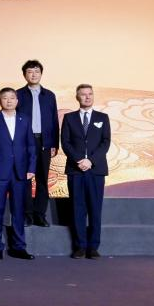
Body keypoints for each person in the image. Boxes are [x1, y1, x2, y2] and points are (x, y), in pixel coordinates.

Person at [0, 88, 37, 260]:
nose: (9, 101)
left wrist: (31, 168)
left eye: (12, 98)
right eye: (5, 98)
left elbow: (31, 145)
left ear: (17, 101)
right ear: (0, 101)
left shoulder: (24, 120)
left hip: (20, 172)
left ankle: (19, 247)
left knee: (18, 210)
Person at [60, 84, 110, 259]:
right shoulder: (69, 118)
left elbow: (106, 142)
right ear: (77, 97)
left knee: (95, 209)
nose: (87, 97)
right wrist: (79, 160)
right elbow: (65, 142)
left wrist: (91, 161)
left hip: (96, 170)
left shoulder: (103, 117)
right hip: (76, 170)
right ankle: (80, 246)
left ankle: (93, 247)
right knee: (77, 209)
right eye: (83, 94)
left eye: (90, 94)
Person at [17, 60, 59, 228]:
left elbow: (54, 120)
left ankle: (40, 215)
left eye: (36, 71)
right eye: (30, 72)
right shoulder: (18, 94)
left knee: (42, 179)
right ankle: (27, 214)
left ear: (41, 74)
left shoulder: (49, 95)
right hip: (24, 142)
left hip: (44, 141)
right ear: (24, 75)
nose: (33, 75)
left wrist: (54, 143)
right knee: (25, 179)